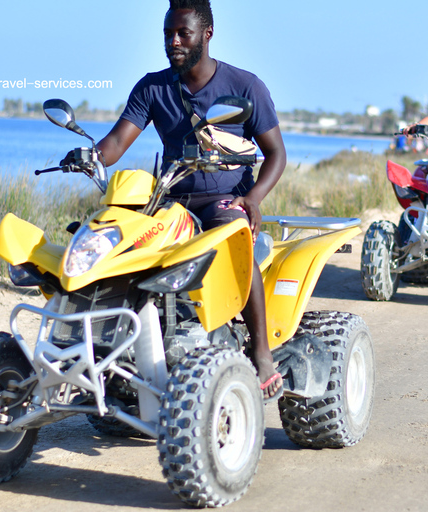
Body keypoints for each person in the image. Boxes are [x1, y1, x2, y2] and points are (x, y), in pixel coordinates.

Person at [79, 0, 287, 401]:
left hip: (224, 199)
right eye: (167, 34)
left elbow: (276, 153)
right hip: (170, 201)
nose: (173, 41)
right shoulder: (153, 87)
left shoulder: (244, 86)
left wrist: (253, 198)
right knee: (118, 244)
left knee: (232, 236)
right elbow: (118, 141)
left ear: (206, 34)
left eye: (182, 33)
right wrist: (90, 156)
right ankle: (112, 352)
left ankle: (261, 352)